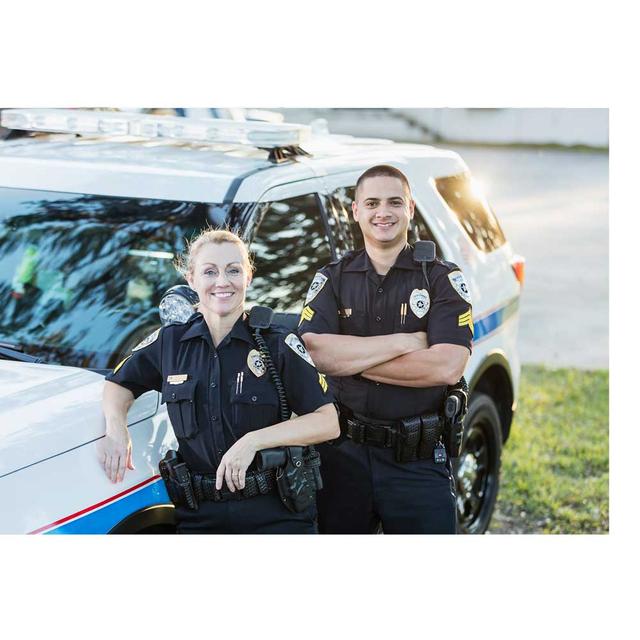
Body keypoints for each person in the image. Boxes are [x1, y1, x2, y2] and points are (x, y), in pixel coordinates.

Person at [98, 229, 339, 534]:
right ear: (191, 279)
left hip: (275, 513)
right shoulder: (171, 342)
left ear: (248, 277)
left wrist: (252, 442)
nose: (222, 282)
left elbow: (328, 421)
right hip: (199, 516)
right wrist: (116, 427)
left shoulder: (277, 342)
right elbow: (119, 383)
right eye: (209, 272)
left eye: (233, 270)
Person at [299, 165, 473, 534]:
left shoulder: (441, 279)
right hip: (342, 456)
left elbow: (446, 367)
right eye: (372, 202)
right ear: (355, 210)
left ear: (410, 209)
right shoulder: (333, 277)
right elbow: (314, 351)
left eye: (395, 202)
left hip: (417, 461)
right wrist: (403, 343)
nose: (384, 212)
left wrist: (349, 361)